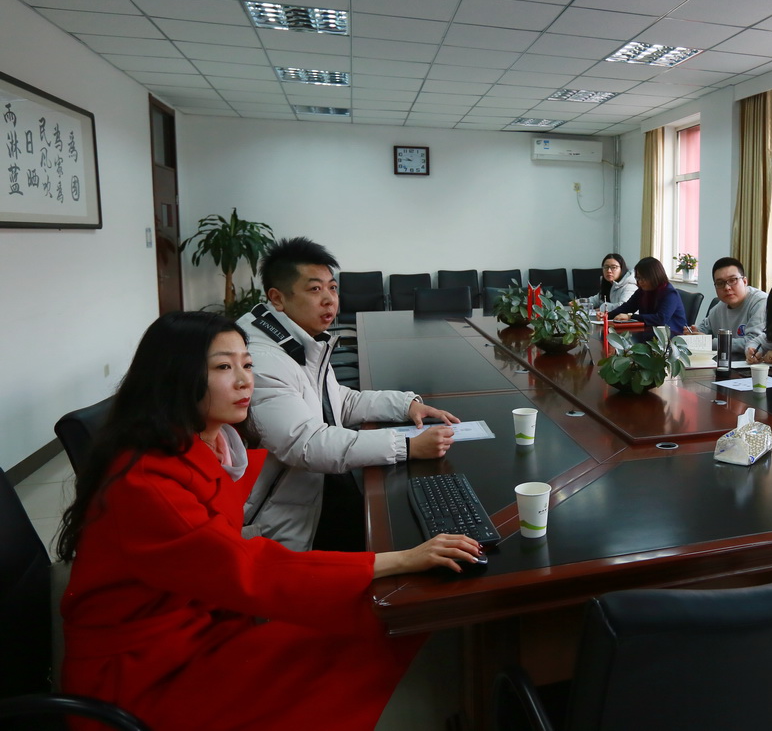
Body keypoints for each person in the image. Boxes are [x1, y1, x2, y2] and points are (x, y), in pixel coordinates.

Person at [57, 311, 483, 730]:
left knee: (375, 619)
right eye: (224, 367)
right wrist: (400, 559)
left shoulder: (204, 443)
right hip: (145, 675)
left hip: (200, 621)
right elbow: (247, 568)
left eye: (247, 365)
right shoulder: (146, 483)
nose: (246, 381)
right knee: (378, 629)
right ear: (174, 377)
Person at [238, 237, 461, 552]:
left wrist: (405, 405)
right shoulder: (262, 360)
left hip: (314, 493)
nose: (329, 300)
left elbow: (336, 402)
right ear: (278, 298)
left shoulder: (294, 339)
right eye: (315, 289)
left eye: (332, 288)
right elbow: (306, 444)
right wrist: (407, 446)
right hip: (282, 524)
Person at [684, 256, 768, 356]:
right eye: (720, 283)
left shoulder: (760, 302)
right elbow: (703, 330)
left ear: (745, 281)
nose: (727, 287)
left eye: (732, 280)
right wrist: (694, 333)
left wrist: (709, 342)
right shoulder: (719, 307)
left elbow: (753, 342)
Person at [612, 255, 688, 335]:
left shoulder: (670, 293)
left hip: (671, 336)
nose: (640, 282)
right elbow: (627, 307)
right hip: (650, 333)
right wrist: (606, 315)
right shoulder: (642, 291)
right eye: (638, 278)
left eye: (643, 278)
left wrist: (630, 316)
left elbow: (660, 319)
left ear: (654, 276)